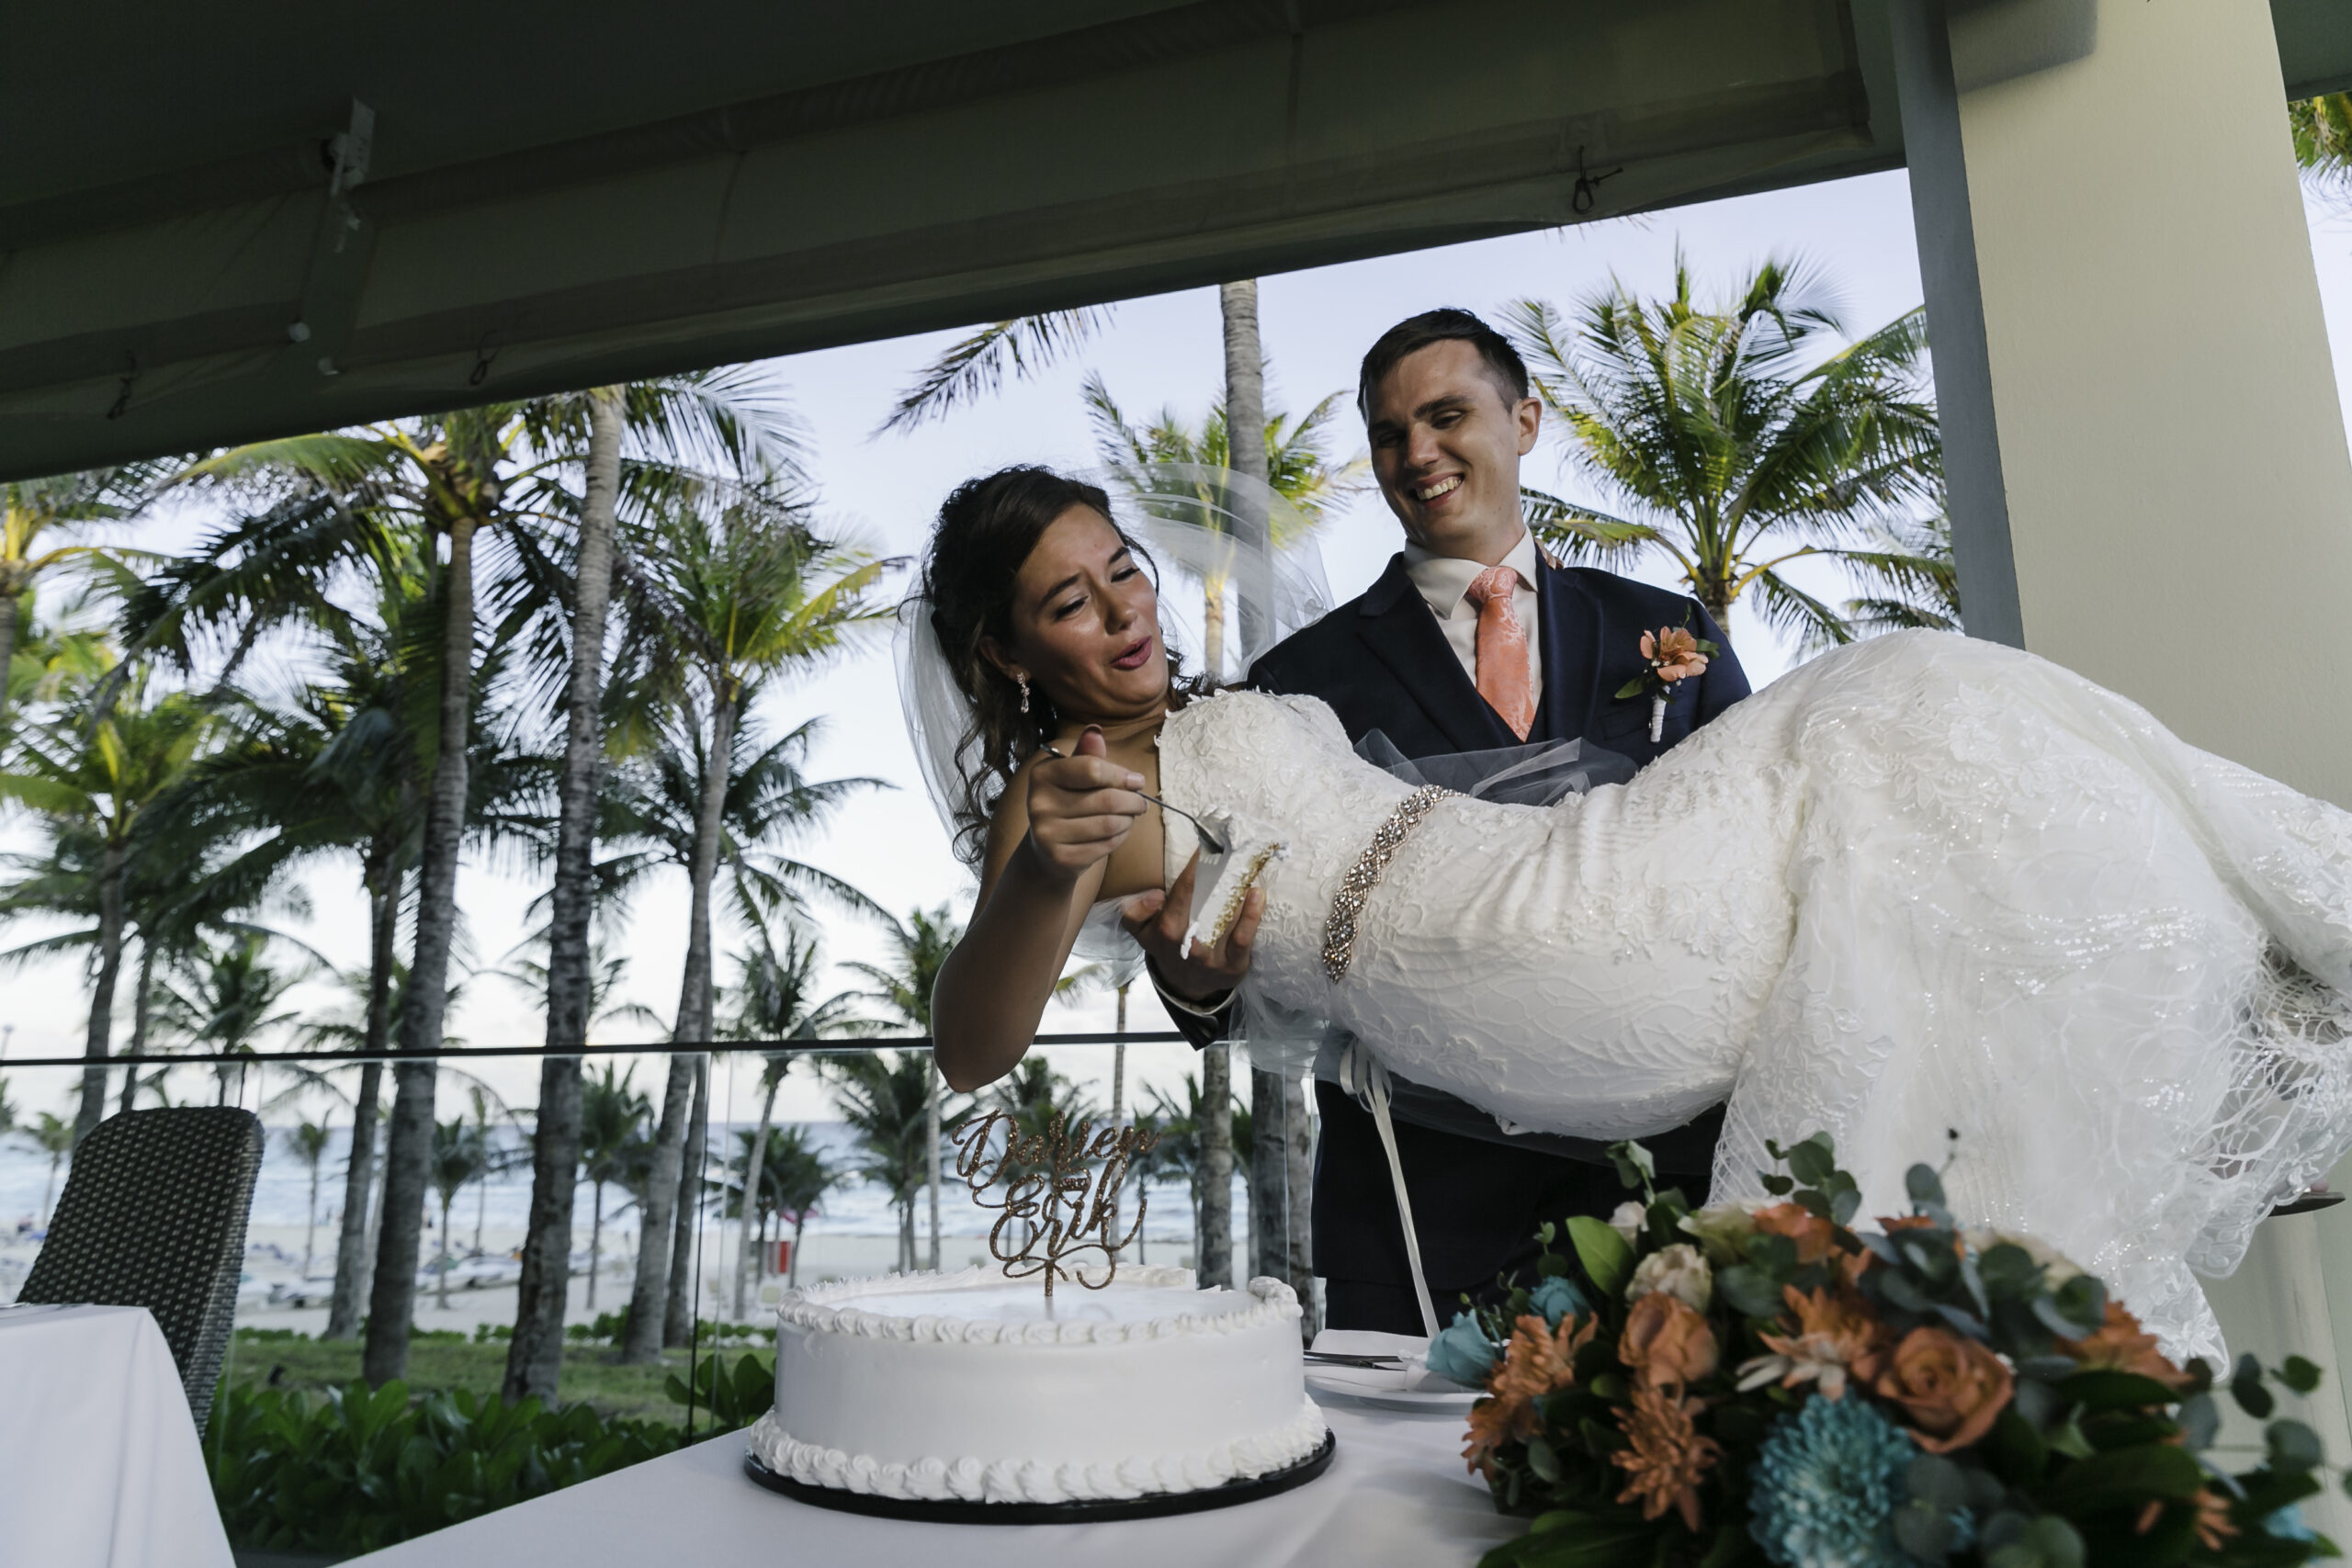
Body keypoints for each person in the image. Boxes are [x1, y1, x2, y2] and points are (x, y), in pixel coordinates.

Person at [916, 459, 2352, 1365]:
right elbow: (972, 1044)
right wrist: (1046, 877)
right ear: (1005, 648)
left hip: (1533, 860)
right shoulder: (1072, 792)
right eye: (1069, 605)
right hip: (1506, 954)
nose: (1122, 613)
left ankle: (2253, 1036)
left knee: (1905, 705)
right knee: (1898, 706)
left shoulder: (1217, 703)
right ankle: (2264, 1036)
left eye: (1123, 571)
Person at [1154, 310, 1752, 1335]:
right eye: (1390, 434)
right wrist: (1193, 979)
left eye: (1445, 416)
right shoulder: (1300, 679)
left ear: (1523, 421)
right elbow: (1216, 940)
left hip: (1667, 1191)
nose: (1416, 453)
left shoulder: (1668, 629)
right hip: (1415, 1210)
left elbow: (1749, 864)